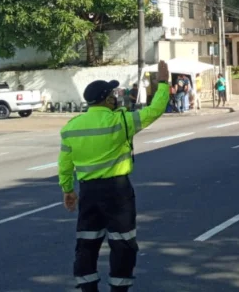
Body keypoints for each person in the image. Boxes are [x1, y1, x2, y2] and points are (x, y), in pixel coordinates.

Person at [58, 60, 171, 292]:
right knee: (122, 243)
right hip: (117, 192)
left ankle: (88, 288)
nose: (116, 96)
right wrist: (163, 82)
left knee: (87, 242)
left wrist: (68, 190)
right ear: (106, 99)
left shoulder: (71, 127)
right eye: (112, 93)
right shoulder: (122, 122)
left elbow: (65, 164)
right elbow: (156, 109)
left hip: (88, 193)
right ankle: (119, 289)